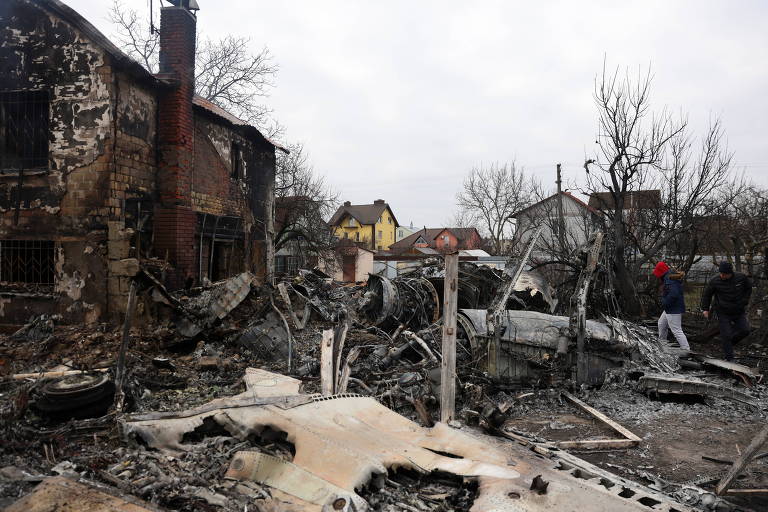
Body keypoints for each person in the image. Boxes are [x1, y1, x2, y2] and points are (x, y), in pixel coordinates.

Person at [700, 261, 752, 361]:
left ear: (730, 273)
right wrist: (705, 309)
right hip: (723, 311)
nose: (722, 275)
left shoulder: (741, 277)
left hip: (738, 311)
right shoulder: (715, 280)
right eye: (721, 273)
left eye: (724, 274)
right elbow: (707, 295)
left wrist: (745, 300)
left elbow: (748, 288)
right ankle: (729, 358)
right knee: (726, 334)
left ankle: (728, 344)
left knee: (745, 330)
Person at [653, 261, 690, 350]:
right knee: (661, 324)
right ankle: (663, 344)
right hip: (670, 308)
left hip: (673, 308)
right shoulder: (669, 276)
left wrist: (664, 302)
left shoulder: (669, 279)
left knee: (676, 330)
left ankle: (686, 349)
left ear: (660, 272)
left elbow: (674, 294)